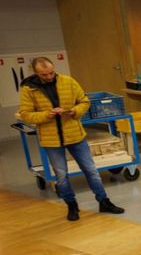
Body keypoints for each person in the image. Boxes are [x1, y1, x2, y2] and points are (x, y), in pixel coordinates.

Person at [17, 57, 126, 221]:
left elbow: (84, 101)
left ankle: (104, 201)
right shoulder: (28, 89)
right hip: (51, 139)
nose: (48, 77)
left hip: (75, 135)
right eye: (44, 74)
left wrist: (74, 111)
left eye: (51, 73)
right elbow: (25, 114)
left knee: (91, 171)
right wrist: (47, 115)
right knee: (61, 176)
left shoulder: (68, 82)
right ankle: (72, 206)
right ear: (35, 72)